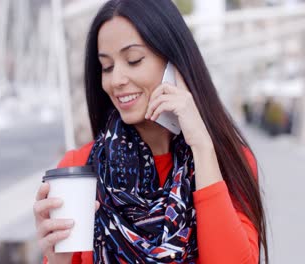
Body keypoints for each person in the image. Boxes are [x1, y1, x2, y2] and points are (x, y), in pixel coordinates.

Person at [33, 0, 269, 263]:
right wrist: (56, 260)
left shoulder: (228, 163)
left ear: (174, 64)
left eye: (133, 60)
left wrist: (202, 146)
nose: (116, 80)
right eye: (107, 67)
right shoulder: (80, 169)